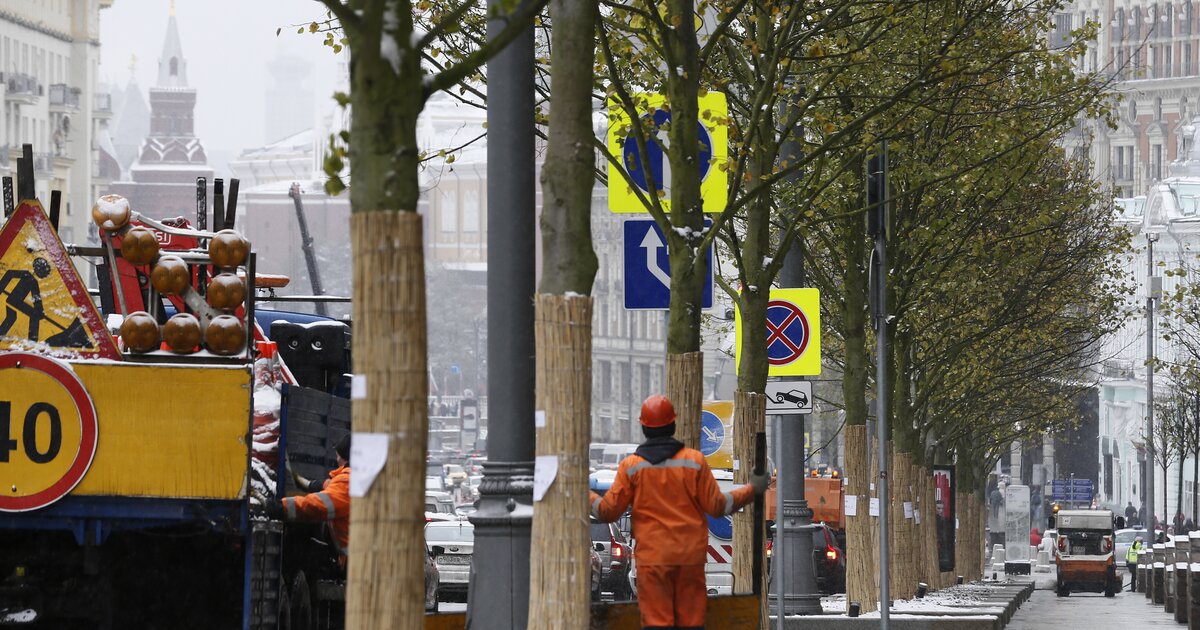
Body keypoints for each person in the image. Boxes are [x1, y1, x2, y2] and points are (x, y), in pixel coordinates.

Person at [589, 394, 768, 630]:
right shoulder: (694, 462)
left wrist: (585, 492)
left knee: (656, 623)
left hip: (652, 561)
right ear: (673, 424)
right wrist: (752, 488)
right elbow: (718, 506)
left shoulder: (632, 466)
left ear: (643, 427)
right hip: (689, 560)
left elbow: (608, 512)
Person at [278, 434, 352, 567]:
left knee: (308, 557)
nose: (336, 458)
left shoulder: (348, 482)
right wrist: (313, 485)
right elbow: (336, 487)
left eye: (338, 455)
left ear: (344, 458)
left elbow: (318, 506)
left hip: (354, 563)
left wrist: (281, 507)